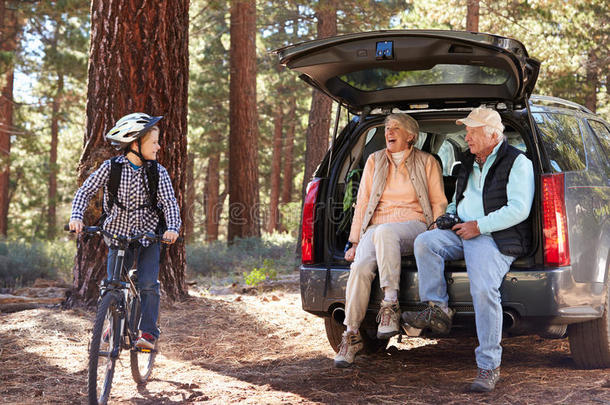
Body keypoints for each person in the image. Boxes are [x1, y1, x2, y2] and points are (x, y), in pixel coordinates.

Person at [402, 107, 535, 392]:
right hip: (462, 229)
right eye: (467, 131)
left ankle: (489, 366)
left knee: (483, 290)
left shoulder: (518, 163)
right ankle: (436, 309)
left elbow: (519, 210)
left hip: (494, 236)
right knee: (425, 242)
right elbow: (457, 200)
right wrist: (448, 217)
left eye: (472, 131)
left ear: (492, 134)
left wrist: (479, 226)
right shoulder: (466, 162)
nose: (467, 136)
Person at [334, 113, 447, 368]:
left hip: (415, 225)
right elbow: (362, 202)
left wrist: (437, 233)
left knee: (385, 232)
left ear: (411, 136)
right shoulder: (374, 160)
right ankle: (351, 334)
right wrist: (354, 242)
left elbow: (439, 201)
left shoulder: (427, 161)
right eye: (386, 128)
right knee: (360, 267)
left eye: (396, 128)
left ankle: (390, 304)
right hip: (377, 227)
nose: (389, 132)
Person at [69, 112, 181, 350]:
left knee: (149, 283)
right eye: (154, 142)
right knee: (112, 284)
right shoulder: (111, 168)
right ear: (135, 143)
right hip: (118, 237)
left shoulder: (157, 173)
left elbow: (170, 203)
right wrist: (77, 217)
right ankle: (111, 321)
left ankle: (148, 333)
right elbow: (85, 191)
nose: (158, 146)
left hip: (148, 237)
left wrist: (172, 228)